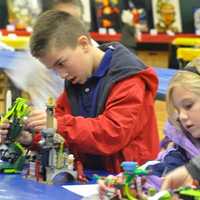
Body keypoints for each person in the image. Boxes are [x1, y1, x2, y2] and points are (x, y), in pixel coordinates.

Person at [24, 10, 159, 174]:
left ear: (83, 44)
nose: (61, 74)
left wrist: (57, 124)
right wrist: (31, 137)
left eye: (61, 63)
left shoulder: (129, 79)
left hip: (130, 181)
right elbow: (59, 126)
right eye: (53, 69)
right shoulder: (77, 79)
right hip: (91, 178)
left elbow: (112, 133)